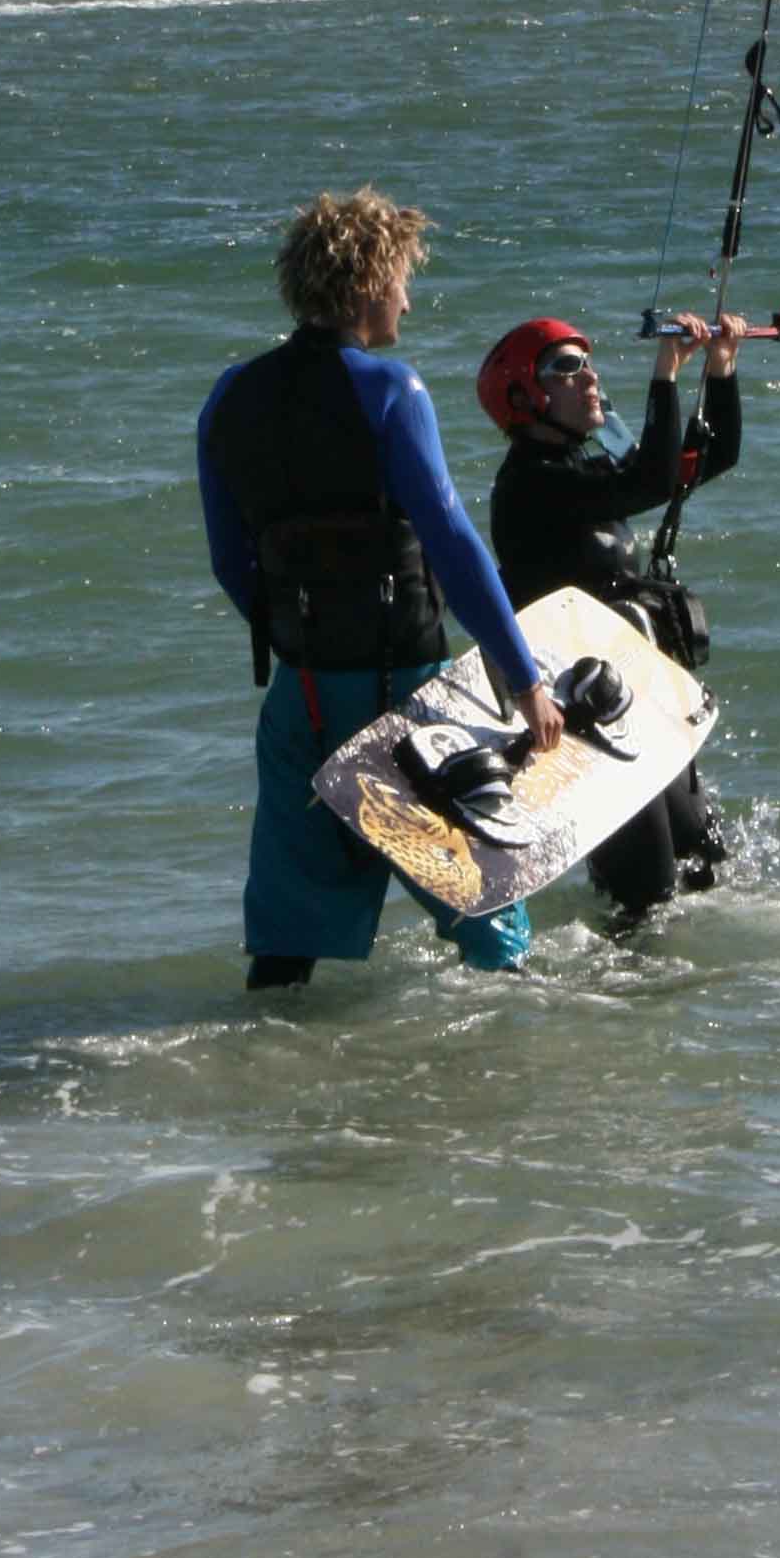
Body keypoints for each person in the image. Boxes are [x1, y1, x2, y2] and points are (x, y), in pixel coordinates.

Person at [200, 188, 564, 993]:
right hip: (408, 701)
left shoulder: (230, 397)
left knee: (288, 936)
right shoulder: (392, 391)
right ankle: (531, 1076)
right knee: (487, 913)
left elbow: (233, 563)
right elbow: (453, 542)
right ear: (368, 282)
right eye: (401, 277)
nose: (407, 295)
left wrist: (307, 644)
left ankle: (266, 1082)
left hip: (300, 701)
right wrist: (524, 675)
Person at [479, 309, 747, 922]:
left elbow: (704, 461)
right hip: (578, 727)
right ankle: (610, 1008)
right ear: (525, 395)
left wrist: (721, 367)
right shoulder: (530, 485)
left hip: (630, 707)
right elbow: (653, 477)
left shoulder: (583, 467)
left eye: (588, 364)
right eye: (567, 370)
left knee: (708, 865)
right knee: (646, 900)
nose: (590, 377)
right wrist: (665, 373)